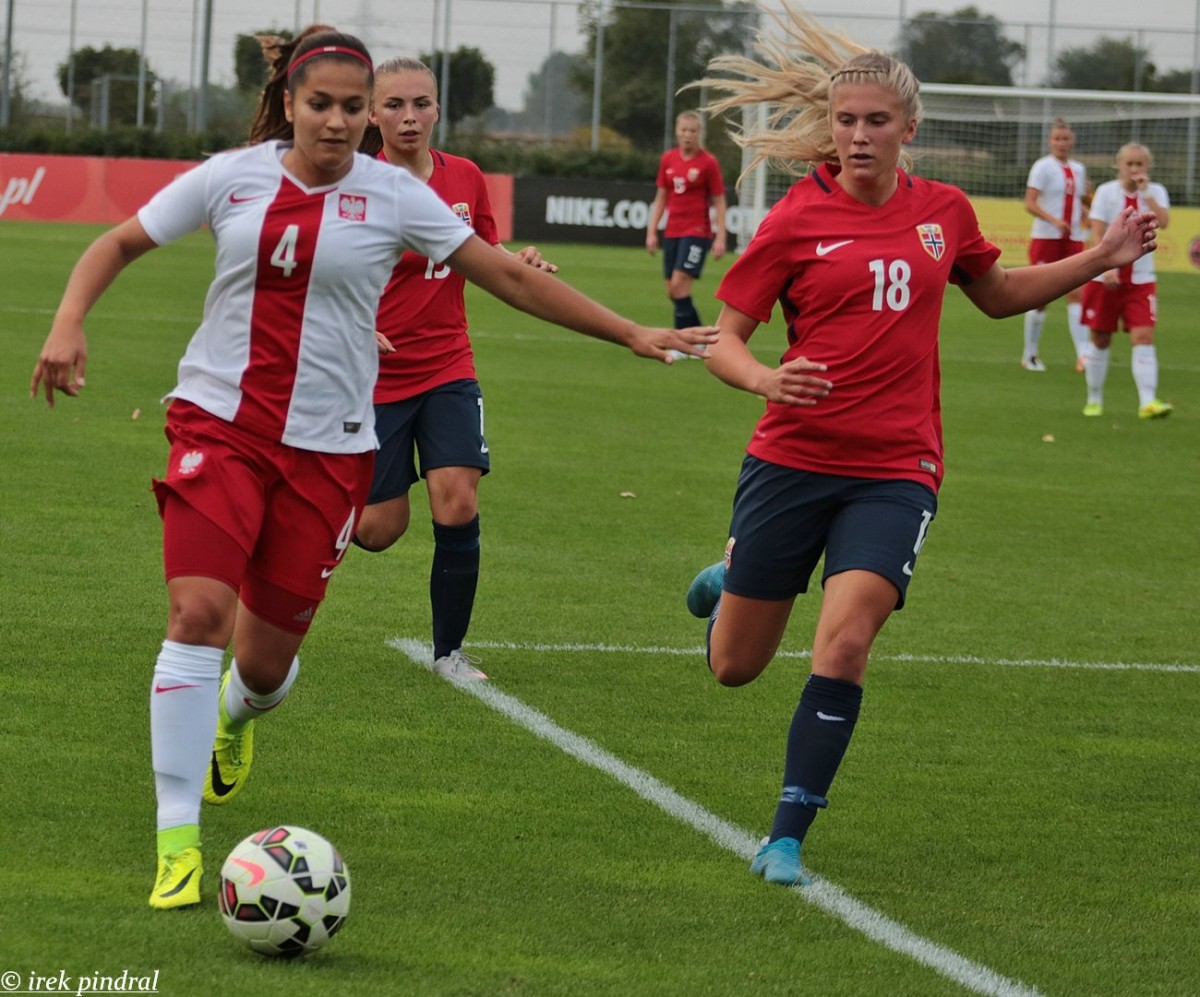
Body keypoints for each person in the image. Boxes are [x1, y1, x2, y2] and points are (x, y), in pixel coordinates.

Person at [30, 28, 716, 912]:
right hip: (220, 425)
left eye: (356, 107)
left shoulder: (395, 196)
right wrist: (67, 322)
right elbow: (117, 243)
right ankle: (176, 842)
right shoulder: (232, 176)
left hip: (330, 452)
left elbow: (506, 277)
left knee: (267, 664)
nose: (342, 121)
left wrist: (632, 330)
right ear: (288, 104)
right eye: (325, 104)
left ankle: (237, 716)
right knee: (198, 612)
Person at [681, 2, 1157, 888]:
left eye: (875, 122)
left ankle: (786, 834)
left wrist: (1102, 255)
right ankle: (734, 572)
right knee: (736, 668)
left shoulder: (943, 210)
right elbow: (728, 340)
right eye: (846, 121)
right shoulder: (793, 217)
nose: (858, 136)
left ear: (909, 127)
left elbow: (1002, 291)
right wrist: (762, 380)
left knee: (846, 643)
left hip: (897, 467)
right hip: (792, 458)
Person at [353, 57, 556, 681]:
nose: (409, 117)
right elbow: (318, 273)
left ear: (438, 109)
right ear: (371, 113)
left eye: (420, 103)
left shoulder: (465, 177)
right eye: (393, 105)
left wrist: (518, 262)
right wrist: (356, 327)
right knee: (379, 530)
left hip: (447, 366)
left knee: (457, 501)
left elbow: (481, 254)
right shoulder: (355, 182)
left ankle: (449, 654)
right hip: (374, 379)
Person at [1080, 142, 1173, 419]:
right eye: (1129, 164)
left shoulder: (1156, 192)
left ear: (1147, 167)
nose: (1134, 169)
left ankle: (1148, 402)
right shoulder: (1107, 192)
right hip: (1105, 279)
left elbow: (1165, 221)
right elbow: (1097, 232)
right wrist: (1105, 266)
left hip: (1142, 279)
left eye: (1139, 164)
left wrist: (1146, 193)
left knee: (1143, 336)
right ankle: (1094, 399)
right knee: (1101, 338)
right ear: (1118, 165)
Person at [646, 110, 728, 358]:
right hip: (673, 232)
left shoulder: (708, 163)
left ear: (700, 133)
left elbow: (719, 200)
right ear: (677, 132)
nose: (688, 135)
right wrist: (652, 231)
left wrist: (721, 236)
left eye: (692, 130)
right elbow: (661, 197)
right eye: (683, 130)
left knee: (679, 286)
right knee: (673, 290)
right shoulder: (668, 159)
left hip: (697, 231)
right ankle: (702, 339)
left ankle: (683, 342)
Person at [1021, 118, 1090, 372]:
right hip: (1046, 238)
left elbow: (1079, 202)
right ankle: (1030, 354)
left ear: (1072, 141)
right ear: (1050, 141)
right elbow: (1030, 203)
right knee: (1040, 298)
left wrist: (1086, 217)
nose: (1062, 143)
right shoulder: (1042, 167)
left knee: (1077, 294)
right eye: (1057, 138)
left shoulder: (1079, 169)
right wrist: (1054, 220)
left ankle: (1083, 356)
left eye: (1066, 138)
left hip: (1073, 239)